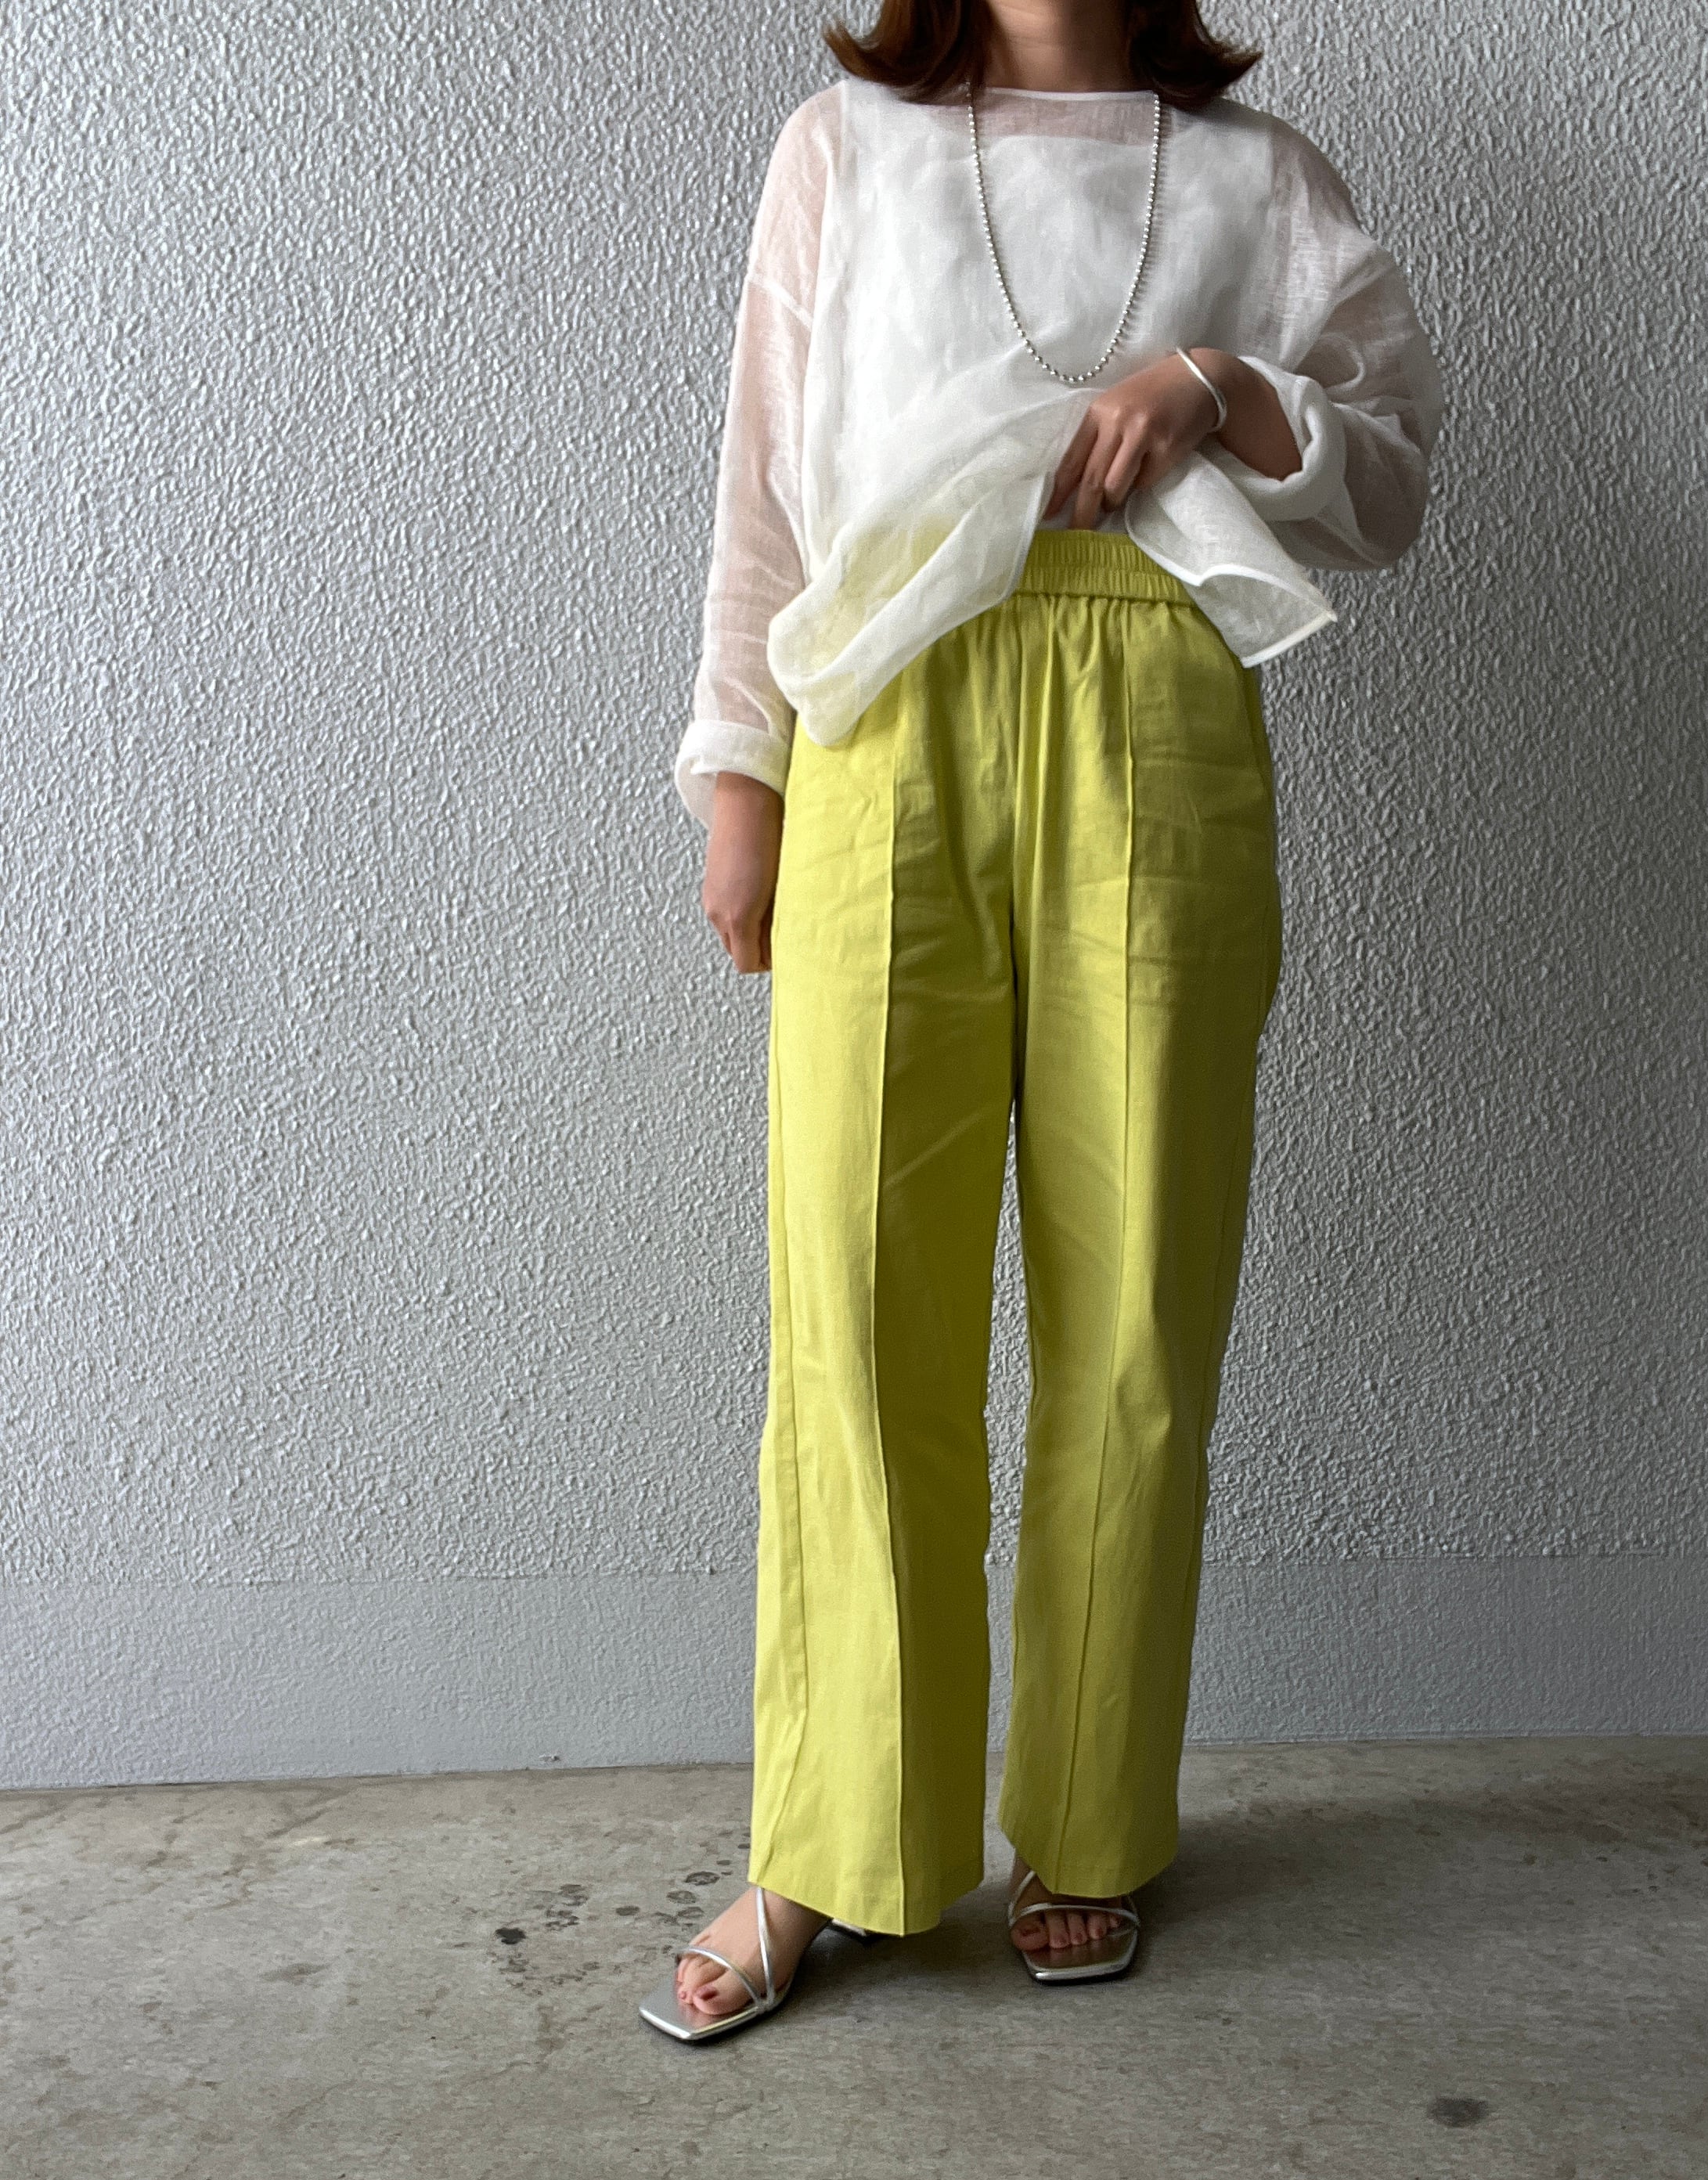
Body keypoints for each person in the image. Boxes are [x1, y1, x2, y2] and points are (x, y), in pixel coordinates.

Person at [640, 0, 1444, 2041]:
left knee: (1136, 1312)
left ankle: (1091, 1819)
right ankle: (833, 1841)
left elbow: (1387, 481)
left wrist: (1220, 387)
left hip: (1156, 722)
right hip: (883, 719)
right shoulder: (838, 150)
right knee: (853, 1306)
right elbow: (765, 489)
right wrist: (741, 774)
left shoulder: (1262, 182)